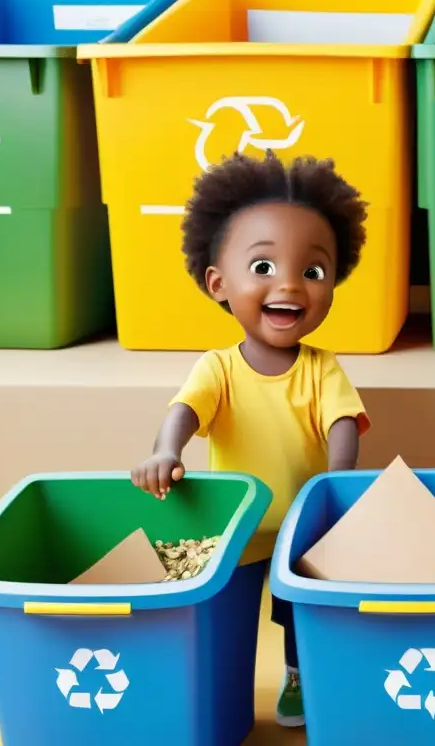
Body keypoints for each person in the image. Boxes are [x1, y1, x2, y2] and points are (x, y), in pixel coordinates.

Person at [130, 151, 371, 729]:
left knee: (298, 612)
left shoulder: (321, 367)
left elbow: (342, 424)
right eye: (263, 267)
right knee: (224, 612)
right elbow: (186, 410)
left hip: (303, 523)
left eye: (313, 272)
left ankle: (297, 675)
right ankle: (217, 677)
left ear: (332, 283)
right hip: (234, 526)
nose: (289, 283)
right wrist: (168, 451)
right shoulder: (218, 368)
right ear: (218, 283)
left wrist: (335, 484)